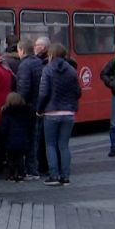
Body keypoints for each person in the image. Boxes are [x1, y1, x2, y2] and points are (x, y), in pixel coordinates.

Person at [37, 44, 80, 186]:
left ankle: (54, 175)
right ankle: (65, 177)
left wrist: (39, 109)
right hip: (68, 113)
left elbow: (43, 93)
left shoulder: (47, 69)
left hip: (51, 112)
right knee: (64, 145)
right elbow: (78, 92)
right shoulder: (72, 71)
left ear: (51, 55)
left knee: (50, 145)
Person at [14, 37, 49, 180]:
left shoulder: (24, 65)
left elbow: (24, 88)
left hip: (28, 108)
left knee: (29, 140)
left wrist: (18, 103)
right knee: (36, 139)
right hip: (39, 106)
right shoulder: (38, 62)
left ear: (22, 50)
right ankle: (34, 168)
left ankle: (31, 170)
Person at [1, 92, 31, 181]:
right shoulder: (26, 112)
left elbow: (4, 128)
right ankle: (21, 173)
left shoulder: (7, 113)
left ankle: (12, 174)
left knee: (11, 158)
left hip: (10, 140)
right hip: (23, 140)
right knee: (20, 158)